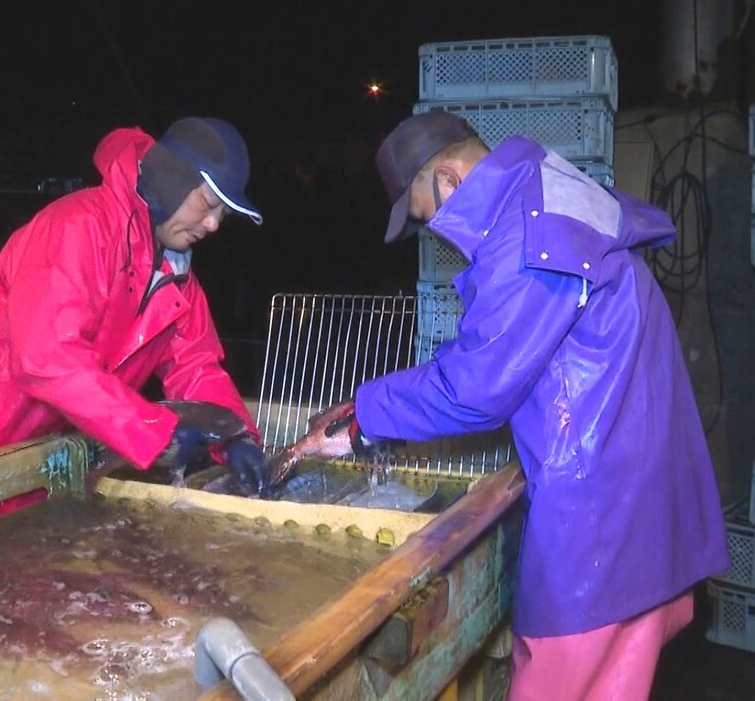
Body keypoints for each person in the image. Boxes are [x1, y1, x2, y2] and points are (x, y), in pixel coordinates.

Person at [313, 111, 730, 700]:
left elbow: (474, 387)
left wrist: (362, 417)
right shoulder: (549, 187)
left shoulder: (524, 235)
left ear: (451, 181)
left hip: (598, 522)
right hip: (643, 495)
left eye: (427, 218)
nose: (435, 234)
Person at [0, 116, 271, 537]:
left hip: (63, 474)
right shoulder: (78, 227)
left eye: (223, 213)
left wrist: (236, 435)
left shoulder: (177, 275)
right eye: (208, 202)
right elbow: (46, 357)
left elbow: (197, 366)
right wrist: (152, 431)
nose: (214, 224)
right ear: (171, 181)